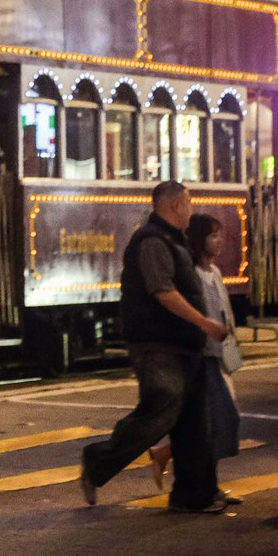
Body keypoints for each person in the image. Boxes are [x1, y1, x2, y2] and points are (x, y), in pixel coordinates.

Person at [79, 181, 230, 513]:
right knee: (161, 411)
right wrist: (206, 323)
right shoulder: (152, 242)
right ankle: (98, 460)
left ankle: (194, 496)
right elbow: (162, 291)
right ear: (174, 206)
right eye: (188, 203)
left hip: (184, 345)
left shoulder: (175, 241)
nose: (192, 209)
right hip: (159, 345)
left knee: (194, 424)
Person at [148, 214, 243, 503]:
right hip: (201, 356)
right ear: (200, 238)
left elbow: (225, 312)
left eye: (221, 235)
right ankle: (204, 485)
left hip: (218, 355)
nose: (220, 241)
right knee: (220, 421)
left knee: (215, 423)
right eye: (214, 235)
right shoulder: (192, 274)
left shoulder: (214, 272)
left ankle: (181, 465)